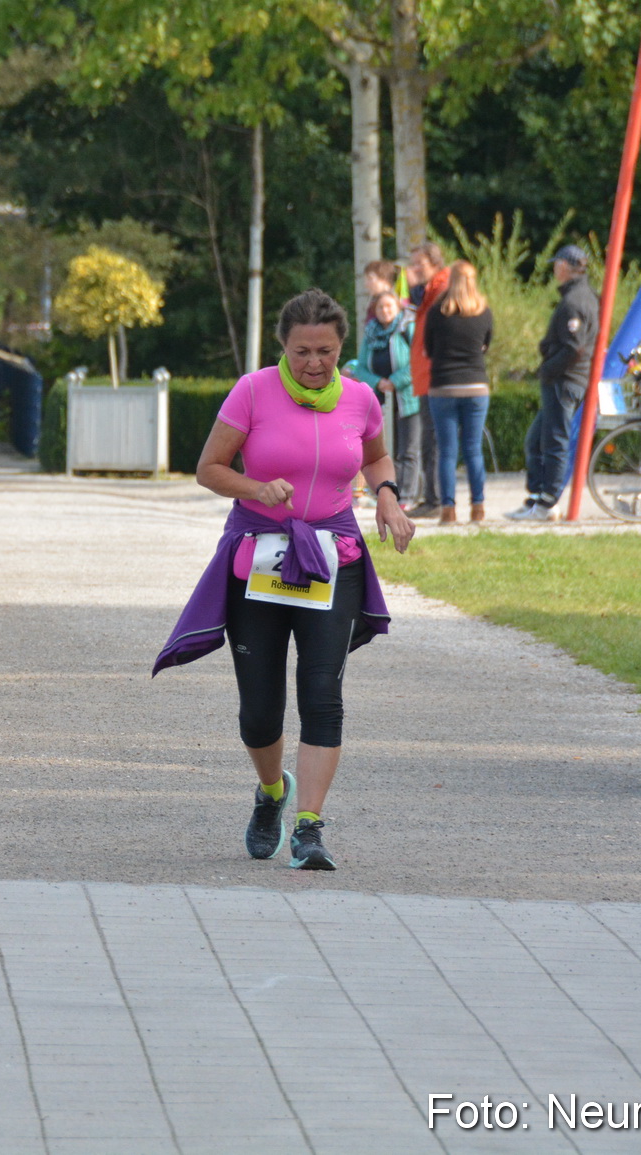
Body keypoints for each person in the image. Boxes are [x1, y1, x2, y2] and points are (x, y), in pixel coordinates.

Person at [155, 289, 416, 872]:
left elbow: (376, 458)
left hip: (332, 555)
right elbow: (208, 469)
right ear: (284, 346)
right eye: (302, 351)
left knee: (323, 694)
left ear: (341, 347)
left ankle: (309, 828)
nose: (314, 363)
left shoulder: (360, 398)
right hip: (261, 555)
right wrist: (256, 488)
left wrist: (387, 499)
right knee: (259, 711)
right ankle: (272, 792)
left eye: (325, 350)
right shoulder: (252, 392)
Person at [507, 244, 598, 520]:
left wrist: (547, 368)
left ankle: (547, 504)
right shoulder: (585, 296)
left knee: (555, 441)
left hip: (564, 380)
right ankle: (536, 498)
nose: (554, 270)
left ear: (563, 267)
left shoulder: (574, 302)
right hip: (566, 378)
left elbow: (574, 348)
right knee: (535, 441)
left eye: (556, 264)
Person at [422, 260, 494, 524]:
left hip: (443, 386)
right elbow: (486, 345)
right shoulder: (484, 311)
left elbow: (428, 349)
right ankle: (478, 507)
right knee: (473, 449)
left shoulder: (437, 312)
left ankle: (448, 510)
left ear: (451, 280)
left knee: (447, 451)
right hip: (476, 386)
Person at [360, 290, 419, 509]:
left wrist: (395, 381)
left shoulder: (407, 329)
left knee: (408, 448)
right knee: (385, 449)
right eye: (380, 307)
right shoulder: (370, 333)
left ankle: (408, 495)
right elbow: (362, 367)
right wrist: (379, 382)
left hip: (407, 397)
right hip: (380, 399)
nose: (385, 311)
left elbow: (417, 362)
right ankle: (388, 492)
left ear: (398, 309)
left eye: (389, 307)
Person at [403, 242, 449, 517]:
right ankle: (433, 498)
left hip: (434, 375)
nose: (414, 269)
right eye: (413, 264)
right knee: (430, 440)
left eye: (419, 263)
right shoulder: (432, 288)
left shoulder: (441, 288)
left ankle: (437, 500)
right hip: (426, 375)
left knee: (434, 441)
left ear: (434, 263)